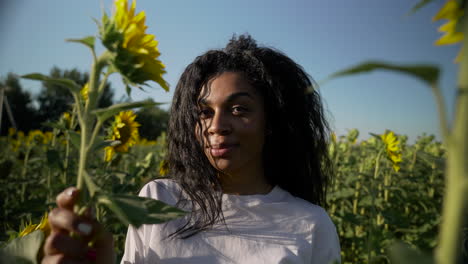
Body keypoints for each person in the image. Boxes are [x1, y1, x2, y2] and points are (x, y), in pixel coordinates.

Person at [43, 34, 341, 264]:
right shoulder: (159, 200)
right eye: (204, 112)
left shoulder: (311, 223)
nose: (216, 125)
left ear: (274, 120)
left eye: (239, 109)